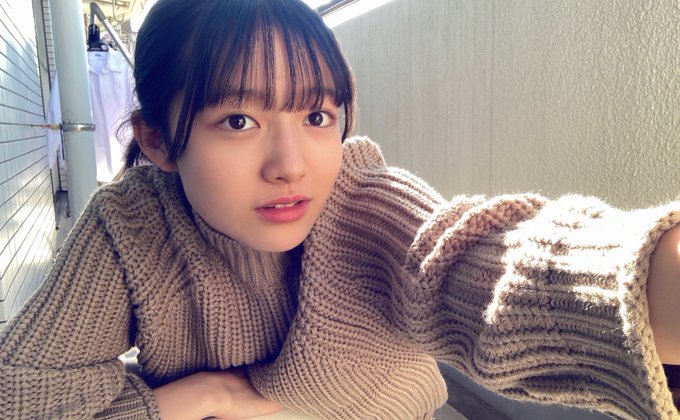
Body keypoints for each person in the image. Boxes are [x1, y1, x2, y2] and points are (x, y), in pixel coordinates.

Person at [1, 0, 679, 418]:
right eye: (238, 120)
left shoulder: (362, 204)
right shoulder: (131, 226)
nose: (291, 165)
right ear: (157, 141)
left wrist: (645, 274)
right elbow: (24, 392)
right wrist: (206, 396)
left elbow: (469, 260)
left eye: (317, 116)